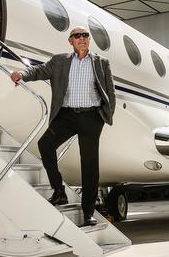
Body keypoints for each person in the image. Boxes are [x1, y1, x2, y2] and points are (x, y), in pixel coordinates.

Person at [10, 26, 115, 226]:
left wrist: (105, 116)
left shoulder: (101, 63)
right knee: (45, 144)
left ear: (88, 40)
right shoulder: (60, 61)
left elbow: (110, 91)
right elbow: (39, 70)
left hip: (92, 117)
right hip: (66, 115)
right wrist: (22, 74)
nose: (82, 38)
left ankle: (88, 213)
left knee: (89, 165)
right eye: (77, 36)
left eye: (85, 36)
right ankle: (59, 192)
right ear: (71, 41)